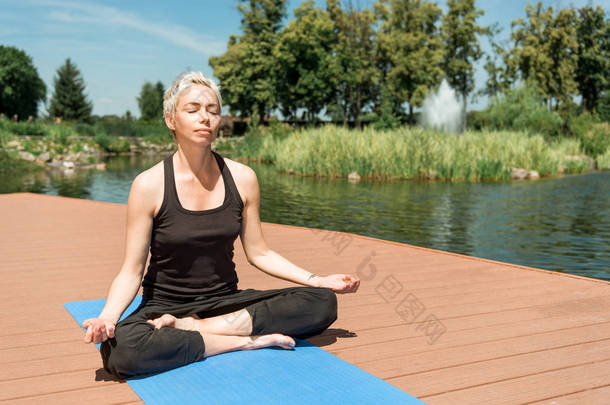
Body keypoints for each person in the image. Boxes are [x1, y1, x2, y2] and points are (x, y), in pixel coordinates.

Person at [82, 71, 360, 378]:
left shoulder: (243, 178)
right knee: (121, 348)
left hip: (226, 302)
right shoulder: (148, 185)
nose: (205, 118)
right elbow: (131, 271)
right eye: (193, 110)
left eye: (213, 111)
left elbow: (260, 253)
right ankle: (244, 342)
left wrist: (318, 280)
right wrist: (107, 317)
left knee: (321, 302)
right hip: (165, 305)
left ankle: (199, 330)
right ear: (171, 120)